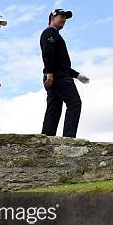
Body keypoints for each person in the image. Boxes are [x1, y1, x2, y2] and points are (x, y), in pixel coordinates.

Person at [40, 9, 90, 138]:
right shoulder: (49, 32)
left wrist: (77, 75)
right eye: (61, 16)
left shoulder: (55, 34)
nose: (64, 20)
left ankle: (47, 137)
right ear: (52, 17)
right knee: (74, 103)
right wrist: (50, 73)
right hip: (57, 76)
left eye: (65, 18)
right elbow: (48, 53)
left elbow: (61, 63)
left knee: (54, 108)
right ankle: (69, 138)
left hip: (56, 74)